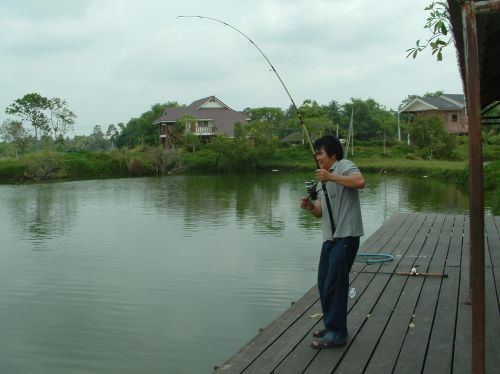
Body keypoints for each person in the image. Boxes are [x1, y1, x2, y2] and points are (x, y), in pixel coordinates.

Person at [300, 135, 365, 349]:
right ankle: (331, 326)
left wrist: (331, 177)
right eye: (316, 154)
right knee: (325, 284)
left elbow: (359, 182)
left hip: (345, 237)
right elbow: (320, 212)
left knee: (336, 285)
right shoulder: (322, 178)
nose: (317, 157)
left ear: (332, 154)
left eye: (320, 153)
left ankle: (337, 334)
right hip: (329, 239)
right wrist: (309, 207)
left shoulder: (344, 166)